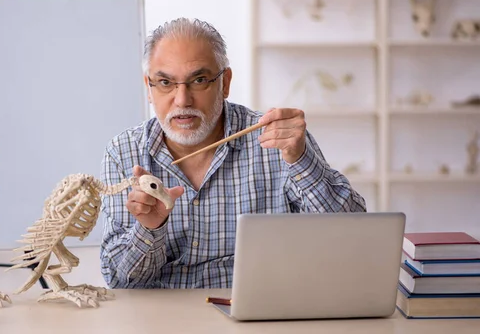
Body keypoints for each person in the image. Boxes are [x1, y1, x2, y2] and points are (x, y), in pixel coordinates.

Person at [99, 18, 366, 289]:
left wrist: (301, 161)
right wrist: (149, 228)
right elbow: (121, 282)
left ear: (225, 82)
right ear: (149, 87)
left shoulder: (277, 141)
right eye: (166, 82)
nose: (182, 100)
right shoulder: (124, 153)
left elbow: (353, 235)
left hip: (259, 311)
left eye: (199, 80)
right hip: (162, 320)